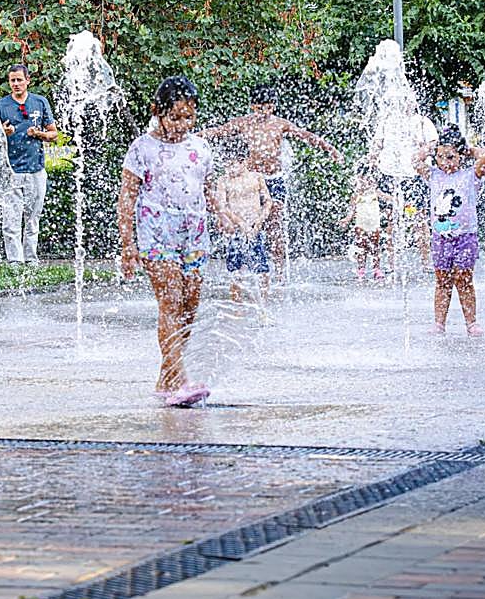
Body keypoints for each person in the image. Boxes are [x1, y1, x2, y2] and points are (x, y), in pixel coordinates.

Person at [118, 76, 227, 408]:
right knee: (171, 301)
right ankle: (180, 379)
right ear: (158, 112)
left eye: (189, 116)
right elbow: (128, 197)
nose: (183, 124)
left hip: (194, 234)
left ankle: (166, 379)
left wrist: (223, 215)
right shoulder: (142, 148)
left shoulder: (200, 148)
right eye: (176, 116)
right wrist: (128, 244)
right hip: (157, 234)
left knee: (190, 307)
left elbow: (207, 189)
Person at [202, 84, 344, 277]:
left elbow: (304, 135)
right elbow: (218, 131)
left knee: (275, 223)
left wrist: (329, 148)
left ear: (273, 106)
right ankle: (246, 269)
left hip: (274, 179)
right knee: (245, 222)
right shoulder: (244, 123)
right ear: (253, 106)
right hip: (251, 182)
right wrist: (192, 138)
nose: (265, 111)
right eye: (260, 107)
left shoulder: (279, 124)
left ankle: (279, 270)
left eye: (268, 107)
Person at [413, 124, 485, 336]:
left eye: (450, 157)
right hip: (440, 238)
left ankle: (471, 323)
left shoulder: (469, 175)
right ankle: (439, 323)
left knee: (464, 279)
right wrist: (431, 148)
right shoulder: (434, 175)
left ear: (460, 156)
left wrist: (469, 149)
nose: (445, 163)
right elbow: (415, 161)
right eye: (440, 158)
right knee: (442, 280)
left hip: (465, 237)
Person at [0, 64, 57, 264]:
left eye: (20, 79)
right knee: (11, 218)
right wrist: (4, 133)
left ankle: (31, 258)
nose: (16, 84)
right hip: (11, 169)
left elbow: (53, 133)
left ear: (28, 80)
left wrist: (39, 134)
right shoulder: (1, 106)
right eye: (12, 80)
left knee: (33, 217)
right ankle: (15, 260)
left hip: (36, 168)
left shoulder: (40, 102)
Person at [370, 89, 438, 270]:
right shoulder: (386, 122)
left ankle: (425, 261)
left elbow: (433, 143)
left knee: (419, 219)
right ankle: (391, 263)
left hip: (413, 175)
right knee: (390, 219)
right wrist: (371, 160)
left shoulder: (423, 122)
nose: (404, 103)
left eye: (407, 99)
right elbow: (377, 145)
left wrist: (421, 154)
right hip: (389, 173)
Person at [216, 137, 274, 306]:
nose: (228, 168)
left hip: (255, 228)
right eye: (225, 164)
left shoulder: (256, 178)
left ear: (244, 161)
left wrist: (260, 220)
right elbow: (222, 206)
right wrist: (240, 223)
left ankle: (263, 304)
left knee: (262, 268)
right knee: (235, 269)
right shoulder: (223, 180)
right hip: (236, 230)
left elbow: (268, 201)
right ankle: (237, 305)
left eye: (232, 164)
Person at [339, 165, 390, 282]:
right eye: (362, 179)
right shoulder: (356, 195)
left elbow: (388, 198)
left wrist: (398, 200)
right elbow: (351, 210)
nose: (365, 182)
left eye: (369, 179)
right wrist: (346, 220)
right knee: (361, 247)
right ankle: (361, 269)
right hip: (361, 224)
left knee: (375, 247)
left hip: (374, 224)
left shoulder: (375, 192)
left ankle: (377, 269)